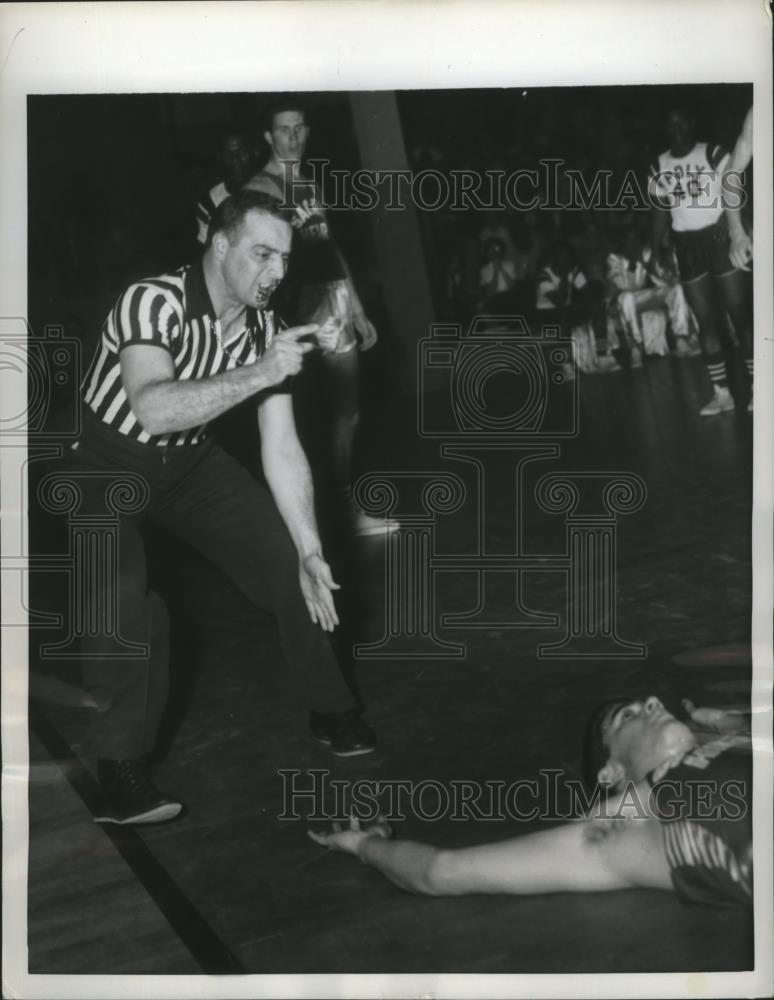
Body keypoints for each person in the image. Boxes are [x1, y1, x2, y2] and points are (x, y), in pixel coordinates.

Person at [71, 190, 376, 826]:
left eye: (284, 259)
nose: (276, 272)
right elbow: (153, 407)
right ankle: (119, 771)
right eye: (262, 254)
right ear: (219, 243)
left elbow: (283, 445)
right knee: (127, 603)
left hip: (187, 463)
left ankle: (329, 705)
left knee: (290, 559)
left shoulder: (264, 327)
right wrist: (262, 373)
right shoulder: (152, 300)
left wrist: (311, 545)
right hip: (104, 463)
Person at [309, 695, 752, 908]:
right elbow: (440, 871)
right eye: (628, 715)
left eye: (648, 701)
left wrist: (737, 721)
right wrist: (364, 847)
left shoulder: (738, 739)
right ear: (611, 772)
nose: (653, 701)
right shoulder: (621, 832)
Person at [244, 102, 398, 537]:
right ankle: (317, 518)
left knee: (346, 411)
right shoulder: (262, 188)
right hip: (298, 308)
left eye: (298, 130)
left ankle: (343, 509)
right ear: (268, 138)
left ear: (307, 133)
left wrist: (357, 307)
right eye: (282, 130)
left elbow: (329, 246)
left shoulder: (307, 182)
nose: (291, 138)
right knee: (305, 417)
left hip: (333, 301)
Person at [649, 109, 753, 415]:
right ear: (666, 129)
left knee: (738, 315)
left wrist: (727, 219)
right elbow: (657, 211)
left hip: (719, 238)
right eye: (671, 123)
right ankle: (722, 394)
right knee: (705, 322)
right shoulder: (658, 164)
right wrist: (656, 250)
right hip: (687, 243)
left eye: (682, 121)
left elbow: (733, 182)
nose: (678, 127)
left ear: (691, 123)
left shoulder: (711, 152)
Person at [606, 226, 696, 365]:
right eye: (629, 239)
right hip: (628, 302)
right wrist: (632, 264)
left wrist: (645, 263)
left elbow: (662, 282)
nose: (633, 243)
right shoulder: (614, 258)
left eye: (635, 239)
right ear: (623, 241)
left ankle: (680, 338)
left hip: (645, 296)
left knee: (676, 289)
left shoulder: (646, 253)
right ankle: (635, 347)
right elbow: (623, 286)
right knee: (626, 297)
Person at [195, 128, 256, 247]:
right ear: (220, 157)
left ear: (254, 152)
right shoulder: (208, 202)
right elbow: (207, 250)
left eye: (242, 152)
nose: (236, 160)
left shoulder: (275, 192)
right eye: (228, 154)